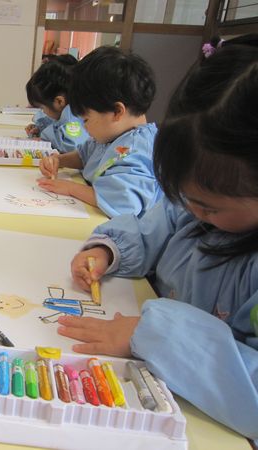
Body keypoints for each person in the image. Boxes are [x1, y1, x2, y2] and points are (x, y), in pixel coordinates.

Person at [58, 43, 258, 443]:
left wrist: (154, 335)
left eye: (209, 206)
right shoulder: (191, 206)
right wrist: (107, 250)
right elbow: (156, 222)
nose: (192, 211)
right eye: (185, 196)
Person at [38, 46, 162, 218]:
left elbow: (123, 202)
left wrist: (71, 188)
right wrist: (59, 160)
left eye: (86, 120)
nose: (84, 127)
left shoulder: (135, 150)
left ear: (117, 111)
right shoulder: (113, 134)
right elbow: (84, 155)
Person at [24, 57, 88, 152]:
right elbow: (55, 124)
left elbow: (72, 145)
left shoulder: (73, 115)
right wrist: (39, 128)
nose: (43, 112)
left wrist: (44, 136)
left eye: (42, 108)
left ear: (59, 101)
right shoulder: (64, 110)